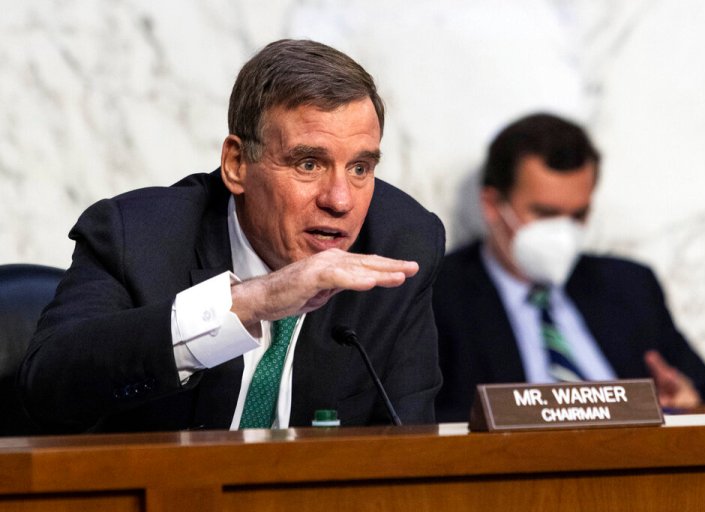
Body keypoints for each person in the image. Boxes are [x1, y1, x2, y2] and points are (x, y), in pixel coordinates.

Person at [19, 39, 444, 433]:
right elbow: (47, 385)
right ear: (237, 164)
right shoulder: (137, 235)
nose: (340, 200)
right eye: (309, 164)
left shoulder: (400, 244)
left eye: (360, 169)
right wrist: (250, 302)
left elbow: (410, 447)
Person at [434, 113, 705, 422]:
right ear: (492, 205)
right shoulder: (437, 294)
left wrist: (687, 406)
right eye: (545, 213)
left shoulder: (628, 286)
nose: (563, 232)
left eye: (577, 216)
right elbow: (417, 424)